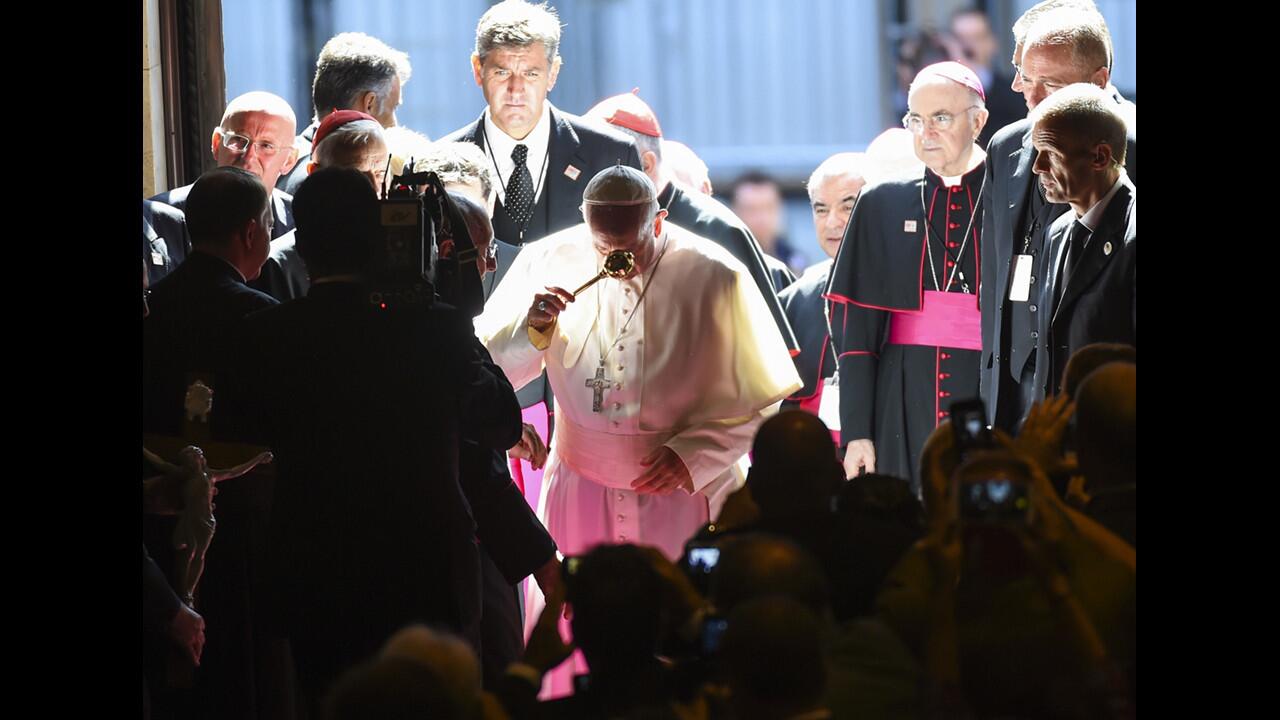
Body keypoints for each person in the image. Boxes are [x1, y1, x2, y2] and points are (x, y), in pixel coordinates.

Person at [477, 165, 799, 695]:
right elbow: (485, 371)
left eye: (628, 244)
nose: (614, 259)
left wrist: (695, 455)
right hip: (580, 487)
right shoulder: (549, 260)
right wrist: (532, 329)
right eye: (602, 244)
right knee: (572, 633)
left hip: (681, 490)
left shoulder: (714, 274)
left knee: (679, 632)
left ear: (659, 220)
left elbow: (762, 399)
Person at [229, 167, 523, 708]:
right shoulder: (433, 327)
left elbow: (244, 433)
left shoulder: (269, 335)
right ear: (379, 235)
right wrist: (454, 306)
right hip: (424, 564)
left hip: (315, 565)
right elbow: (500, 423)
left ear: (301, 240)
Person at [442, 0, 644, 477]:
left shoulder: (609, 155)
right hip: (478, 400)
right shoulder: (440, 166)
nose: (515, 91)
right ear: (477, 70)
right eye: (501, 72)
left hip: (590, 396)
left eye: (530, 74)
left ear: (553, 73)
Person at [826, 62, 989, 492]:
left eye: (940, 118)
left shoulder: (1013, 194)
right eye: (915, 119)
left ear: (978, 120)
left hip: (987, 386)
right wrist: (857, 431)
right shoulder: (881, 202)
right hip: (901, 393)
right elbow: (857, 337)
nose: (925, 132)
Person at [980, 1, 1136, 433]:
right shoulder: (1005, 145)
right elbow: (993, 278)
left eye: (1049, 84)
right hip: (1014, 387)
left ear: (1099, 81)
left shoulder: (1131, 142)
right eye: (1027, 79)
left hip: (1100, 397)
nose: (1031, 98)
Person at [584, 90, 799, 357]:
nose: (591, 177)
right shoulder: (593, 224)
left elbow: (765, 351)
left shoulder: (716, 229)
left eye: (601, 164)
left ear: (646, 164)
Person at [1029, 82, 1135, 403]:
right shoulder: (1058, 231)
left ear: (1100, 157)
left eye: (1051, 154)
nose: (1038, 167)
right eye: (1037, 152)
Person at [254, 109, 391, 301]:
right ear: (314, 172)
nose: (374, 188)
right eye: (356, 175)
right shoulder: (276, 266)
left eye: (380, 173)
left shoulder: (401, 250)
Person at [778, 153, 868, 421]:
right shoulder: (795, 298)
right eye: (821, 209)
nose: (832, 222)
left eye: (847, 207)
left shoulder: (901, 291)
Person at [150, 92, 299, 243]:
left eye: (266, 146)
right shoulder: (158, 220)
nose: (248, 157)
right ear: (216, 144)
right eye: (238, 140)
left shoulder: (302, 223)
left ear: (289, 160)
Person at [276, 31, 411, 196]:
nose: (394, 123)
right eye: (393, 108)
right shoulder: (322, 185)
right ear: (370, 103)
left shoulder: (283, 165)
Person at [949, 7, 1026, 147]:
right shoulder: (938, 93)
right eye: (960, 39)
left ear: (992, 43)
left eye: (977, 38)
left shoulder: (1015, 91)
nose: (968, 47)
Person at [730, 170, 803, 285]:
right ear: (734, 212)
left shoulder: (794, 260)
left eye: (768, 208)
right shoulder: (724, 262)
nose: (761, 218)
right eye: (751, 209)